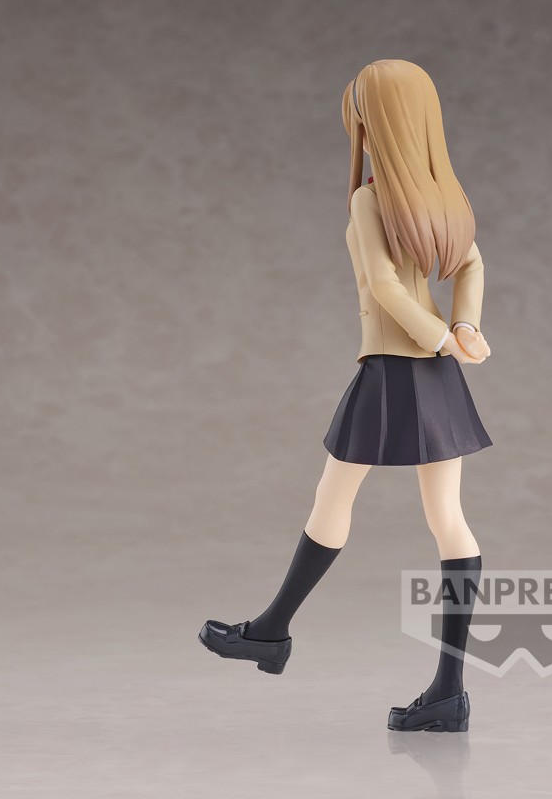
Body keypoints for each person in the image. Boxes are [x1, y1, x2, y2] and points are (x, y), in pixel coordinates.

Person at [199, 59, 493, 733]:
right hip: (436, 375)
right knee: (448, 519)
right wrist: (462, 329)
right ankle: (447, 692)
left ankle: (271, 633)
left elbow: (384, 286)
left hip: (393, 370)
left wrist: (446, 335)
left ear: (374, 119)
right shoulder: (442, 196)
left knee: (334, 500)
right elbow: (472, 264)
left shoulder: (370, 198)